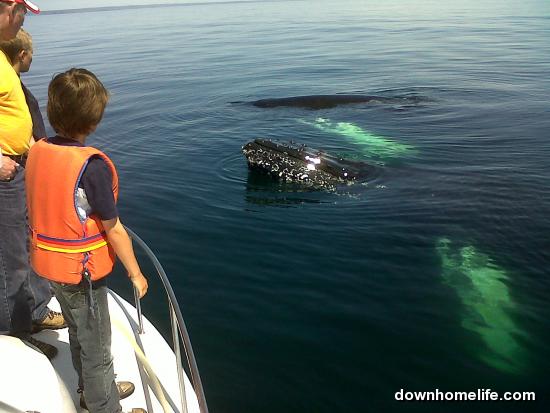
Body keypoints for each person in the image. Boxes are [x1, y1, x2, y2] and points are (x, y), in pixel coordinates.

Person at [25, 68, 148, 413]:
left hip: (50, 268)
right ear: (94, 120)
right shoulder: (91, 167)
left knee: (79, 335)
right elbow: (114, 229)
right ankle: (104, 406)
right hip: (84, 275)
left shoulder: (38, 150)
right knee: (97, 349)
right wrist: (136, 274)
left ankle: (92, 393)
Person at [0, 0, 58, 360]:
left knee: (21, 247)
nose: (23, 21)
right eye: (23, 12)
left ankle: (29, 315)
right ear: (8, 7)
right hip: (4, 176)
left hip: (17, 169)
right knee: (11, 257)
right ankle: (13, 334)